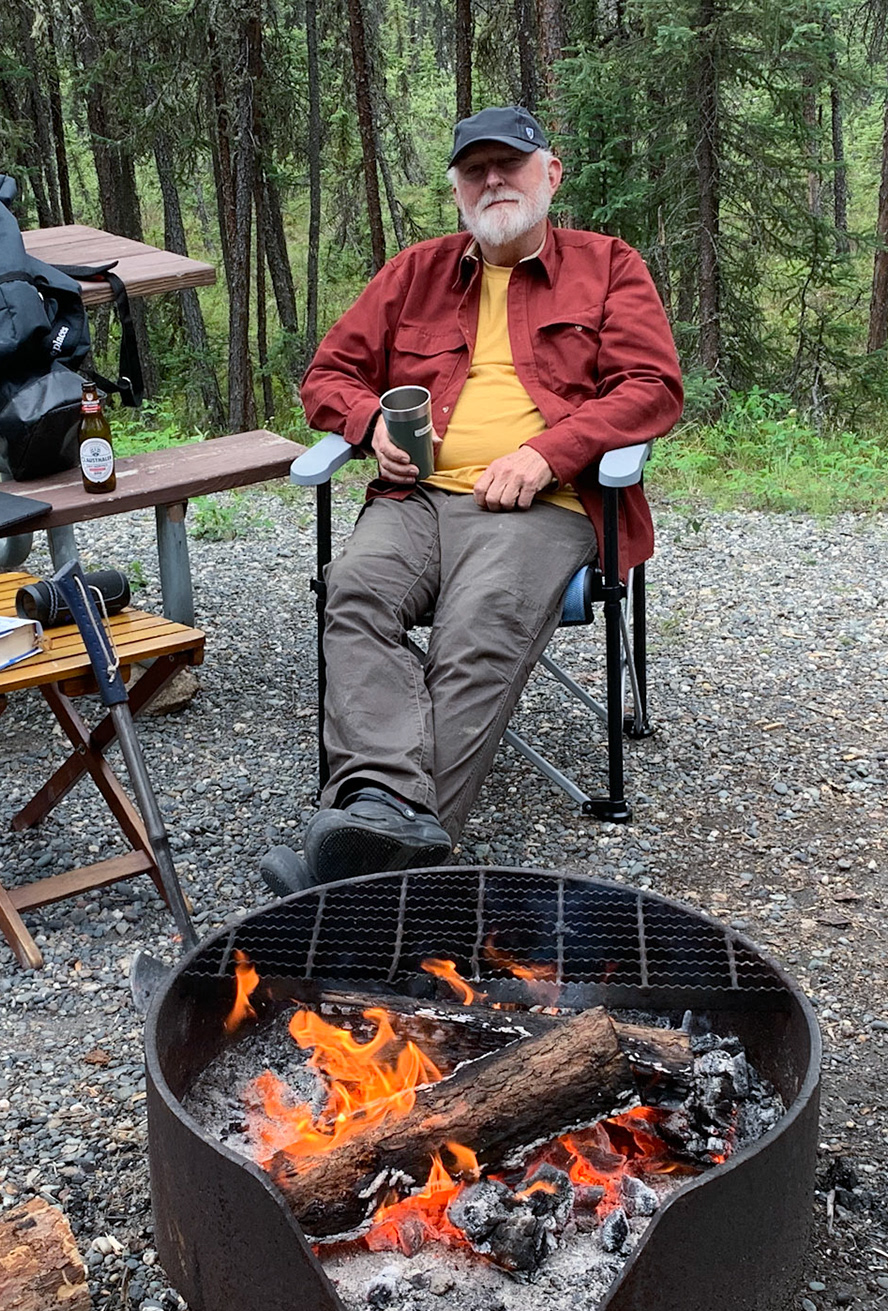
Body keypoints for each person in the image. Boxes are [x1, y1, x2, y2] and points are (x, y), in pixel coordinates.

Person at [262, 105, 684, 895]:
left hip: (544, 502)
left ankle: (365, 855)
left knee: (480, 618)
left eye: (511, 165)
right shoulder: (413, 273)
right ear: (456, 188)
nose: (493, 181)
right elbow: (326, 377)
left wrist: (545, 452)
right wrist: (365, 425)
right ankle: (393, 824)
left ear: (549, 174)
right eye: (474, 170)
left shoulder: (608, 266)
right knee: (353, 593)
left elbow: (653, 388)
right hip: (414, 498)